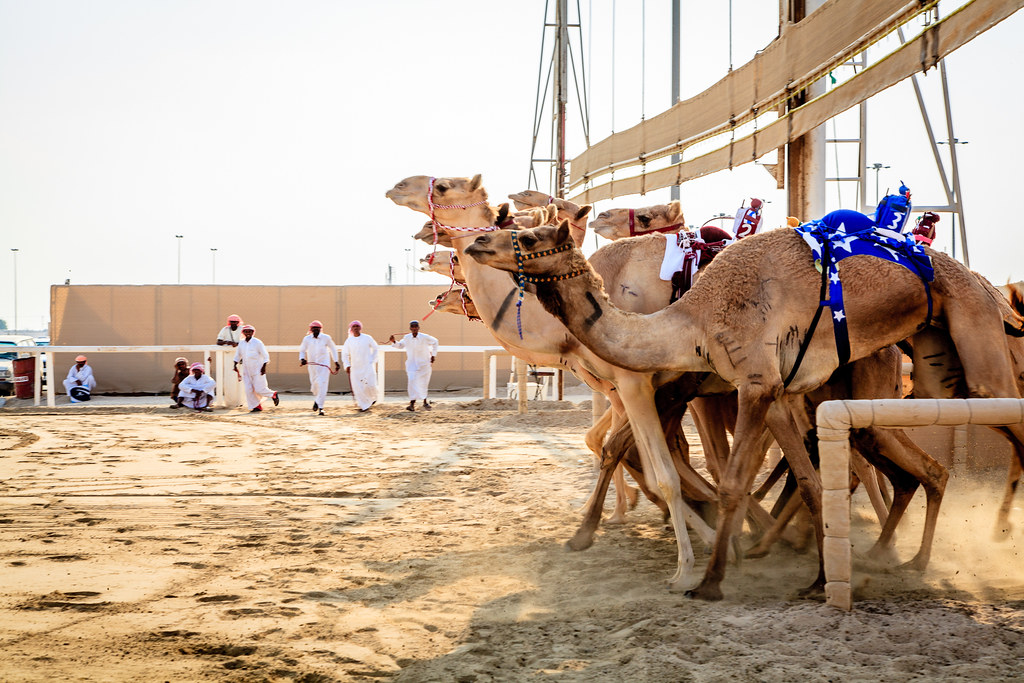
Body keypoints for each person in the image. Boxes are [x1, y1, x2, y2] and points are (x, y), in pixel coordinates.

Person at [388, 320, 438, 411]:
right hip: (411, 365)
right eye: (412, 326)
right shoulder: (406, 338)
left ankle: (425, 402)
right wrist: (393, 341)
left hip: (424, 364)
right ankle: (412, 404)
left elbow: (435, 342)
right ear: (410, 328)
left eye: (416, 326)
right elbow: (400, 345)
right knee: (412, 382)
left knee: (423, 383)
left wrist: (433, 355)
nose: (414, 328)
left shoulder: (424, 337)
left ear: (418, 328)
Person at [232, 324, 279, 413]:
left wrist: (264, 367)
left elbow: (265, 355)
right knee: (248, 390)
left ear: (253, 332)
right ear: (243, 332)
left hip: (258, 369)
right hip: (246, 370)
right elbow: (238, 355)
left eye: (250, 331)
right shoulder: (241, 343)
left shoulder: (257, 342)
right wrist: (235, 364)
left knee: (259, 389)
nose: (248, 333)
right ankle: (256, 406)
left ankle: (273, 394)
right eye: (246, 331)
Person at [299, 319, 340, 415]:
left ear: (320, 329)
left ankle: (320, 407)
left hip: (324, 366)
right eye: (314, 328)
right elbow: (302, 350)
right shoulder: (307, 339)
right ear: (311, 329)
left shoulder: (326, 338)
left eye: (317, 328)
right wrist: (302, 359)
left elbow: (333, 349)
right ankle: (317, 400)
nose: (316, 330)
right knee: (314, 386)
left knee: (322, 384)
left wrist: (336, 361)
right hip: (312, 365)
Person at [341, 320, 379, 413]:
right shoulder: (349, 341)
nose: (356, 328)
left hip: (367, 366)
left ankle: (371, 399)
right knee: (358, 387)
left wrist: (372, 360)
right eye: (354, 326)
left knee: (371, 384)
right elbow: (344, 354)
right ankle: (364, 406)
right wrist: (347, 365)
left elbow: (375, 348)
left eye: (357, 326)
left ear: (360, 328)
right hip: (355, 368)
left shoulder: (367, 338)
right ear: (351, 329)